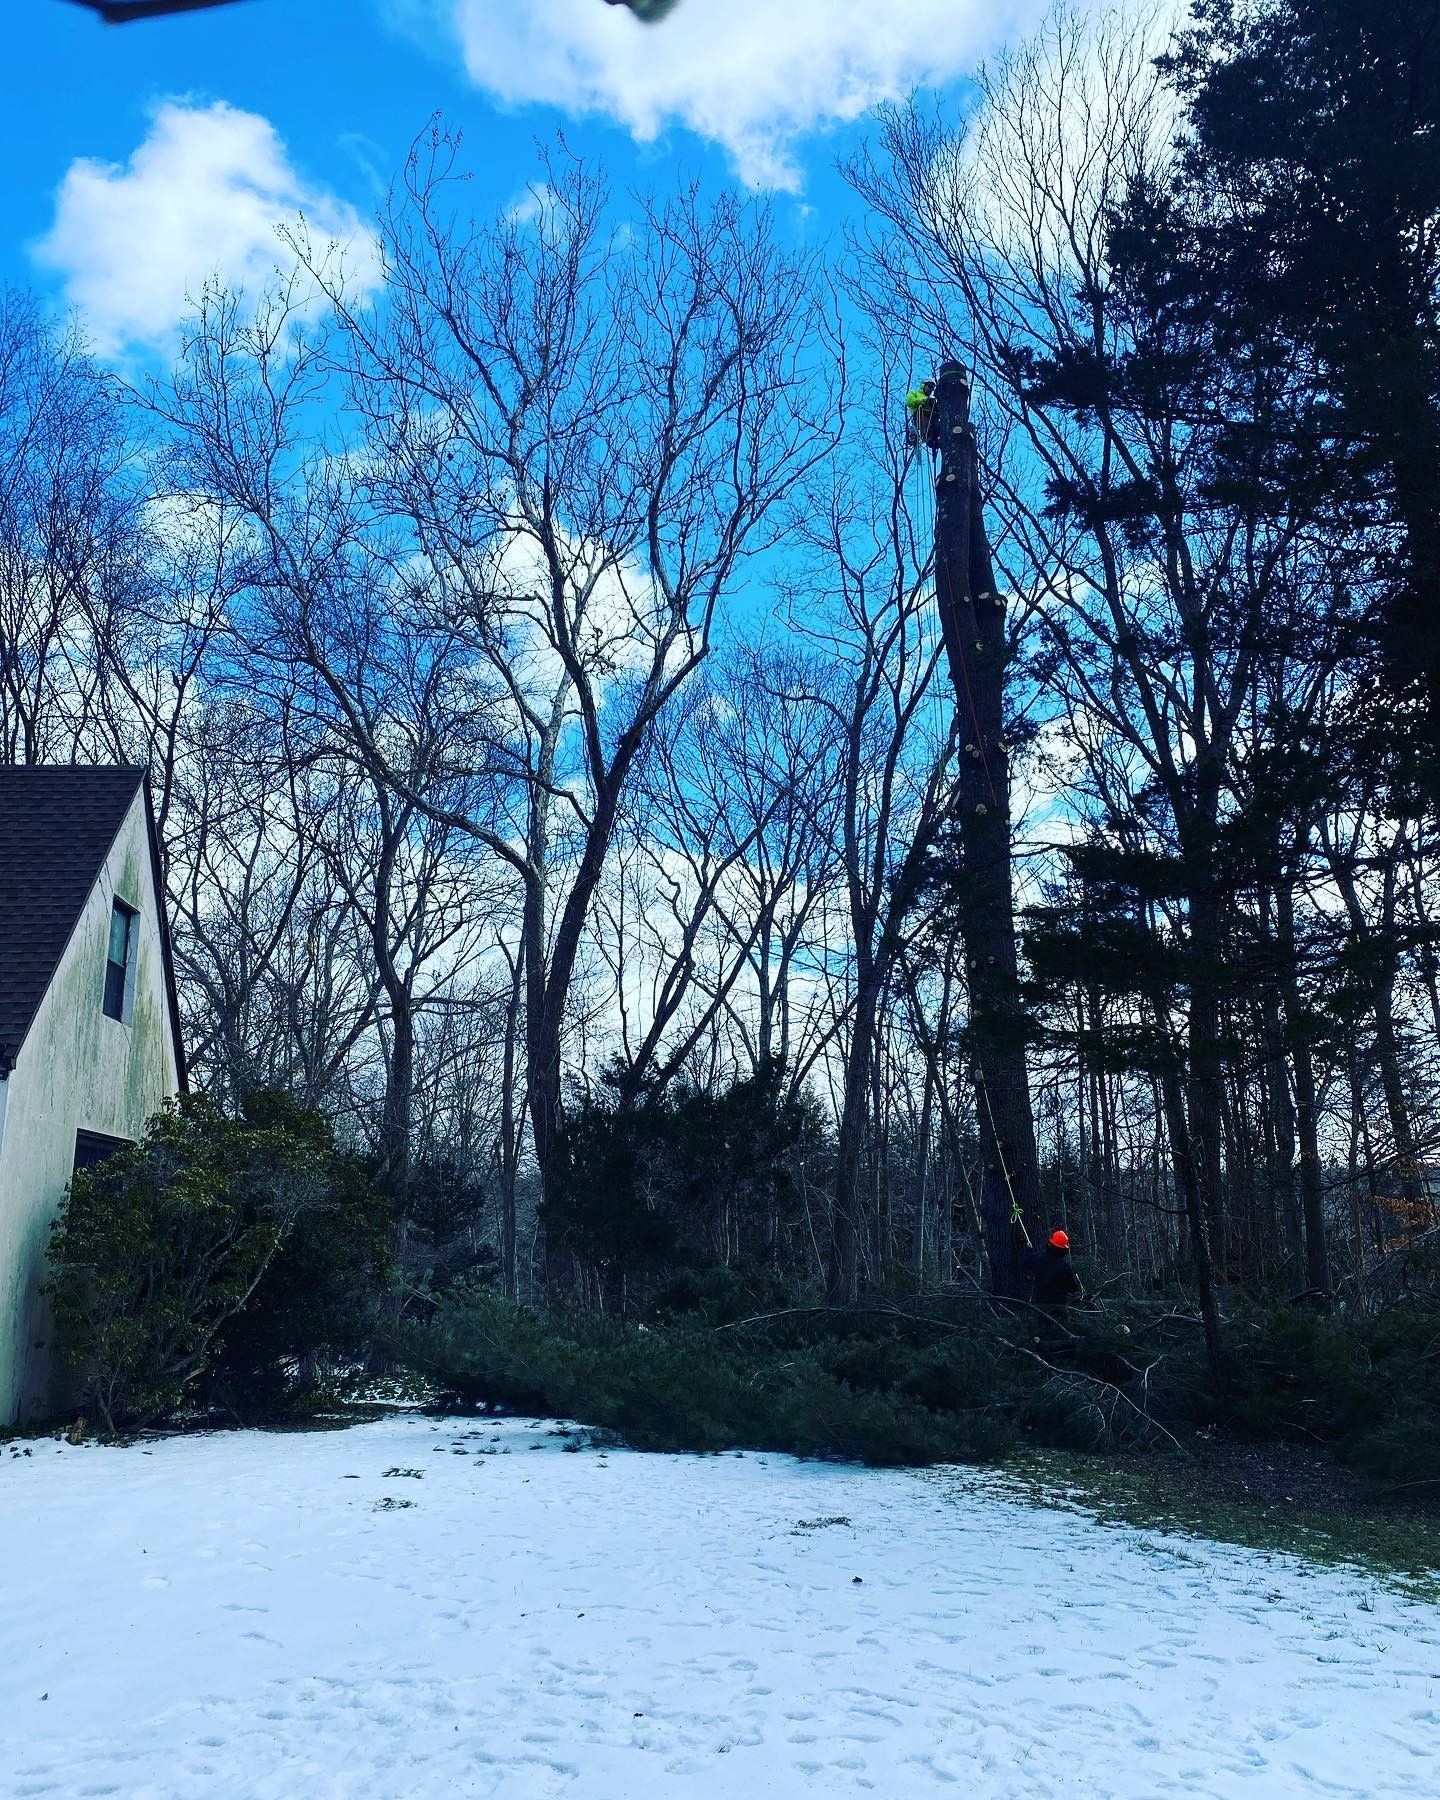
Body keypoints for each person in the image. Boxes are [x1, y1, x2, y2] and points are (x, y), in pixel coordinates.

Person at [1022, 1229, 1082, 1320]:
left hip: (1041, 1307)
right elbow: (1073, 1288)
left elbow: (1025, 1262)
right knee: (1060, 1332)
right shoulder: (1064, 1266)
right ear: (1064, 1249)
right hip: (1059, 1307)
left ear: (1050, 1244)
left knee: (1040, 1332)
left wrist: (1028, 1250)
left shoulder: (1038, 1258)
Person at [906, 380, 939, 450]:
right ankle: (927, 438)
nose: (931, 389)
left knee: (937, 426)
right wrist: (924, 401)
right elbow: (909, 402)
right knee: (926, 424)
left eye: (932, 388)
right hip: (920, 414)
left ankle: (935, 440)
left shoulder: (931, 399)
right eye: (930, 387)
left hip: (931, 417)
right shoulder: (914, 393)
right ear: (923, 386)